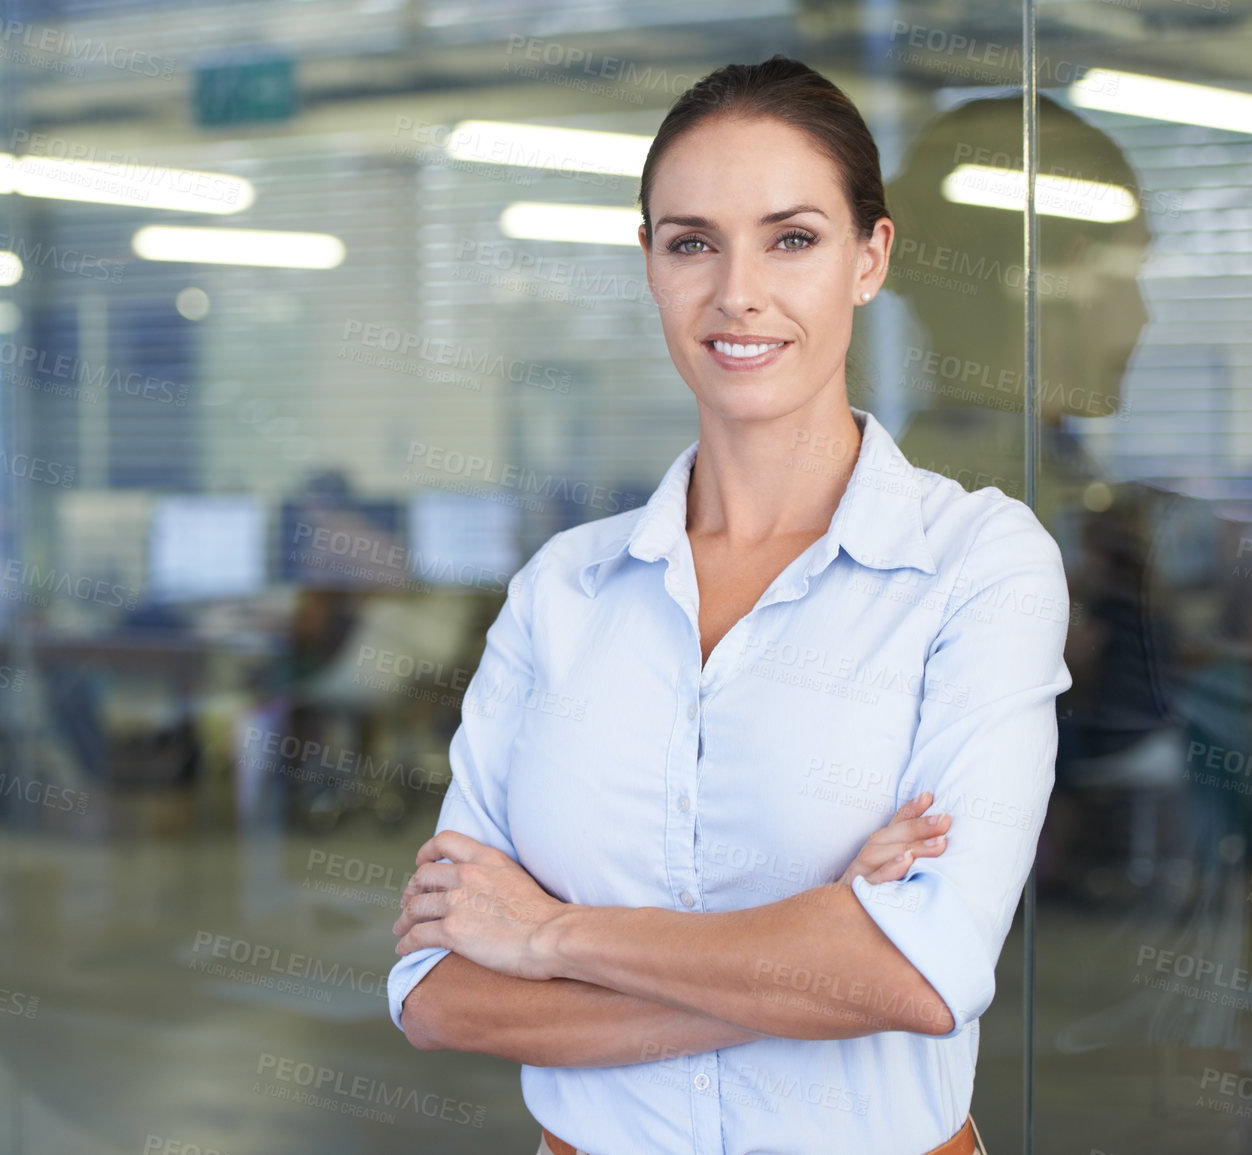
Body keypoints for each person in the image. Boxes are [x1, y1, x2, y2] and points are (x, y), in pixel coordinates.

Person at [385, 56, 1072, 1155]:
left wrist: (551, 933)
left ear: (870, 258)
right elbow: (435, 988)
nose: (736, 291)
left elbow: (923, 972)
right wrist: (807, 965)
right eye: (691, 240)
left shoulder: (977, 565)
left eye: (792, 238)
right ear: (651, 265)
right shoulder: (563, 589)